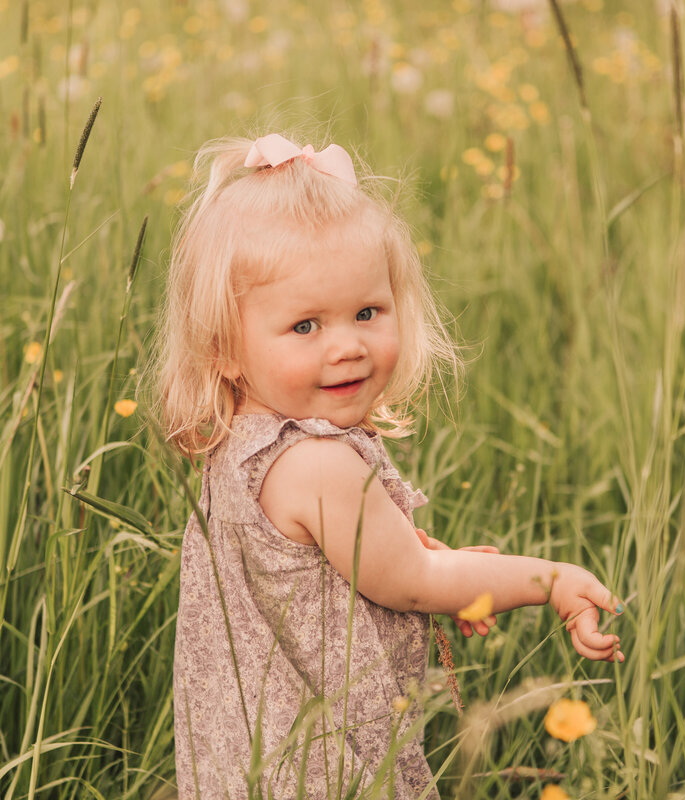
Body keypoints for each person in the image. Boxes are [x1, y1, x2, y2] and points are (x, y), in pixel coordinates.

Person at [156, 131, 624, 800]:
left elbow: (332, 567)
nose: (347, 346)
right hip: (324, 773)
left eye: (367, 312)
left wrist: (428, 558)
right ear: (225, 347)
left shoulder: (244, 442)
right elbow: (412, 581)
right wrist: (547, 580)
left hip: (246, 761)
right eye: (306, 326)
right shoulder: (318, 467)